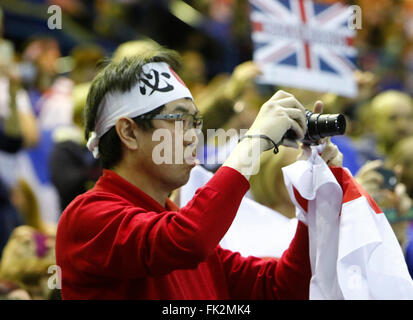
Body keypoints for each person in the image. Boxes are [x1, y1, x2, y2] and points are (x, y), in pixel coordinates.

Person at [55, 45, 342, 299]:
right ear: (129, 132)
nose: (194, 136)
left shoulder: (179, 226)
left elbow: (282, 289)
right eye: (179, 119)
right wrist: (253, 144)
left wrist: (314, 205)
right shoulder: (88, 216)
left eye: (195, 122)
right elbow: (187, 241)